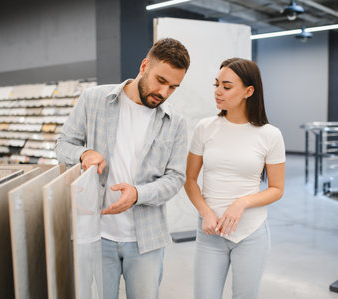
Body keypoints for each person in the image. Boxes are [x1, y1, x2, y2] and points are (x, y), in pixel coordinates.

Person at [55, 38, 190, 299]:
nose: (163, 93)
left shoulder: (175, 122)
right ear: (144, 66)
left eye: (173, 87)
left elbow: (175, 178)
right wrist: (84, 153)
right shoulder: (94, 99)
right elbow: (63, 145)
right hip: (97, 233)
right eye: (160, 81)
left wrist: (138, 194)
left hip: (146, 240)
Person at [184, 58, 285, 299]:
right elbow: (190, 179)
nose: (218, 91)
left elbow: (277, 188)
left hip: (251, 233)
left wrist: (242, 203)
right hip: (210, 233)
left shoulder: (270, 135)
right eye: (216, 84)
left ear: (249, 91)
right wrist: (205, 212)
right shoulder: (205, 128)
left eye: (227, 87)